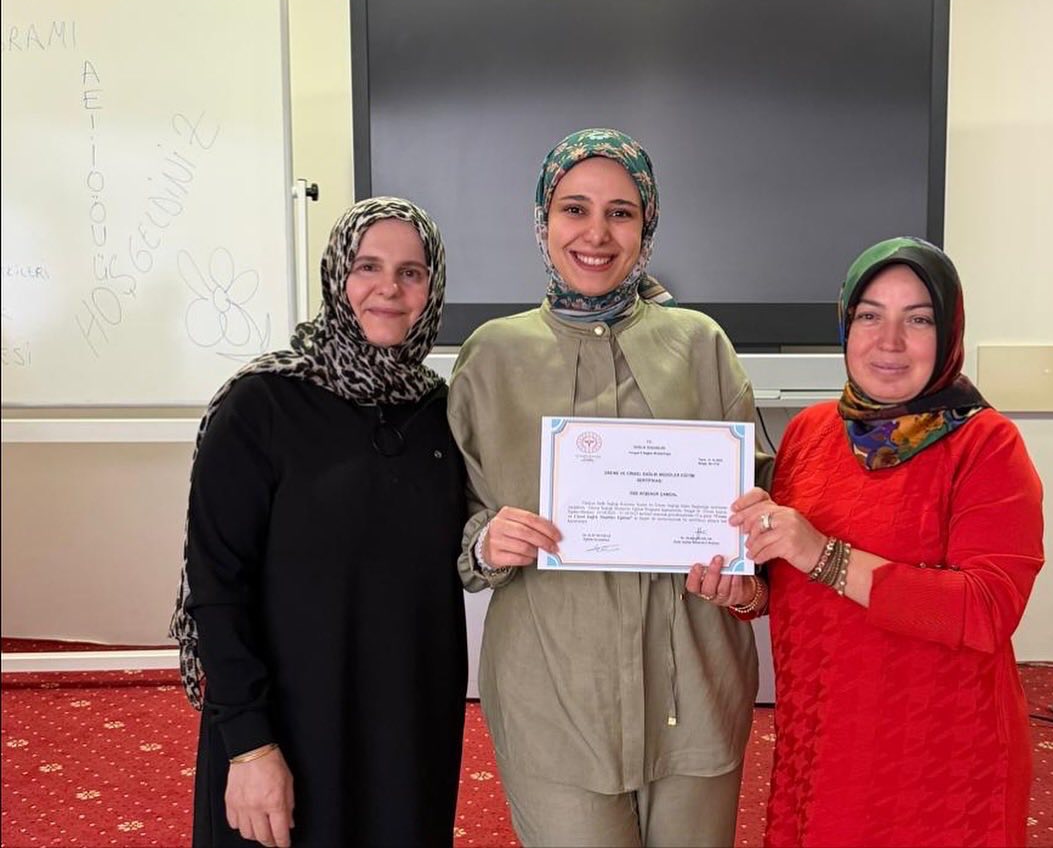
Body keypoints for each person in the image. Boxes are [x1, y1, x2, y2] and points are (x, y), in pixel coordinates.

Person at [448, 128, 770, 847]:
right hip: (553, 694)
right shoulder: (491, 356)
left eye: (621, 212)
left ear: (646, 227)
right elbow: (450, 521)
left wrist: (747, 572)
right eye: (574, 209)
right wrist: (487, 542)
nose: (596, 233)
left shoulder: (701, 344)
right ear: (543, 220)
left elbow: (758, 509)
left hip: (695, 688)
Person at [168, 197, 468, 847]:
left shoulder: (443, 413)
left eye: (412, 272)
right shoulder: (260, 405)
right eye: (368, 266)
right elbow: (216, 589)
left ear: (433, 286)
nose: (389, 288)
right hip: (284, 734)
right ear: (337, 276)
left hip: (409, 736)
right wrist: (249, 746)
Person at [730, 236, 1044, 847]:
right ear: (846, 325)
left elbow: (986, 609)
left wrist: (824, 554)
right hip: (819, 731)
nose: (890, 341)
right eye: (870, 316)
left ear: (948, 333)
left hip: (935, 749)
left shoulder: (987, 445)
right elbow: (793, 578)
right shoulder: (811, 432)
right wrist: (744, 593)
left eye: (918, 319)